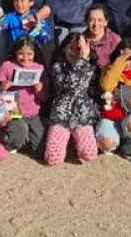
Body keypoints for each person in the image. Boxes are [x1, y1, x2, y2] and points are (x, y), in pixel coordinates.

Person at [45, 34, 101, 167]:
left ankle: (76, 142)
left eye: (78, 49)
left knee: (90, 154)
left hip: (83, 116)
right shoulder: (57, 67)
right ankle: (66, 141)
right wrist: (83, 60)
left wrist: (84, 60)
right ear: (64, 48)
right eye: (71, 48)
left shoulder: (91, 67)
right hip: (61, 117)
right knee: (53, 159)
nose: (75, 53)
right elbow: (69, 85)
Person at [0, 37, 48, 155]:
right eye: (21, 54)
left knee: (40, 150)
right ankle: (8, 137)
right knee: (19, 132)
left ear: (35, 53)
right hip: (13, 113)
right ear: (15, 52)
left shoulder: (39, 68)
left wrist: (39, 90)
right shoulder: (7, 66)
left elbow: (44, 98)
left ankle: (24, 137)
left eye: (29, 54)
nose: (25, 58)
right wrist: (3, 87)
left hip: (33, 113)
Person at [84, 4, 121, 69]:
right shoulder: (80, 40)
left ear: (106, 22)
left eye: (100, 20)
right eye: (92, 20)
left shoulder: (115, 41)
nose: (96, 24)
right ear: (87, 22)